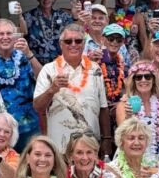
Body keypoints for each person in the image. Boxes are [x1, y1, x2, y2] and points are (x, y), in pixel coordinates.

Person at [33, 23, 111, 154]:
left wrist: (107, 139)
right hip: (60, 147)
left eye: (78, 41)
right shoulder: (48, 70)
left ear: (84, 43)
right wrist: (52, 89)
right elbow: (38, 107)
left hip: (90, 147)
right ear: (61, 44)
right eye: (68, 41)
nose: (73, 44)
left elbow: (103, 107)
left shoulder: (95, 69)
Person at [0, 19, 41, 153]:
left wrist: (29, 54)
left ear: (15, 37)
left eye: (9, 33)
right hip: (0, 133)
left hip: (28, 126)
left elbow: (43, 78)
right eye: (1, 34)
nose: (5, 37)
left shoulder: (25, 57)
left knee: (31, 166)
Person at [116, 60, 159, 158]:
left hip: (156, 158)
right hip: (130, 158)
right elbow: (123, 136)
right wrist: (128, 116)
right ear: (133, 81)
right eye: (138, 77)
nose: (143, 80)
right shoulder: (124, 105)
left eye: (147, 76)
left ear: (153, 80)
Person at [23, 0, 74, 65]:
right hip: (36, 66)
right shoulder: (27, 17)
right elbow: (20, 39)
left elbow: (76, 31)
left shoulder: (62, 16)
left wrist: (75, 16)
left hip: (60, 65)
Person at [111, 0, 147, 64]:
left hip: (133, 55)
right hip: (117, 52)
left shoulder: (137, 16)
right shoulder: (113, 14)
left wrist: (147, 58)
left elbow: (143, 38)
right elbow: (101, 9)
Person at [99, 23, 128, 115]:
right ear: (103, 39)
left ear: (122, 42)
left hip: (118, 112)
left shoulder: (123, 65)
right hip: (100, 111)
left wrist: (121, 103)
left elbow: (129, 90)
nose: (114, 42)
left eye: (118, 40)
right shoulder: (94, 61)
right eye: (111, 39)